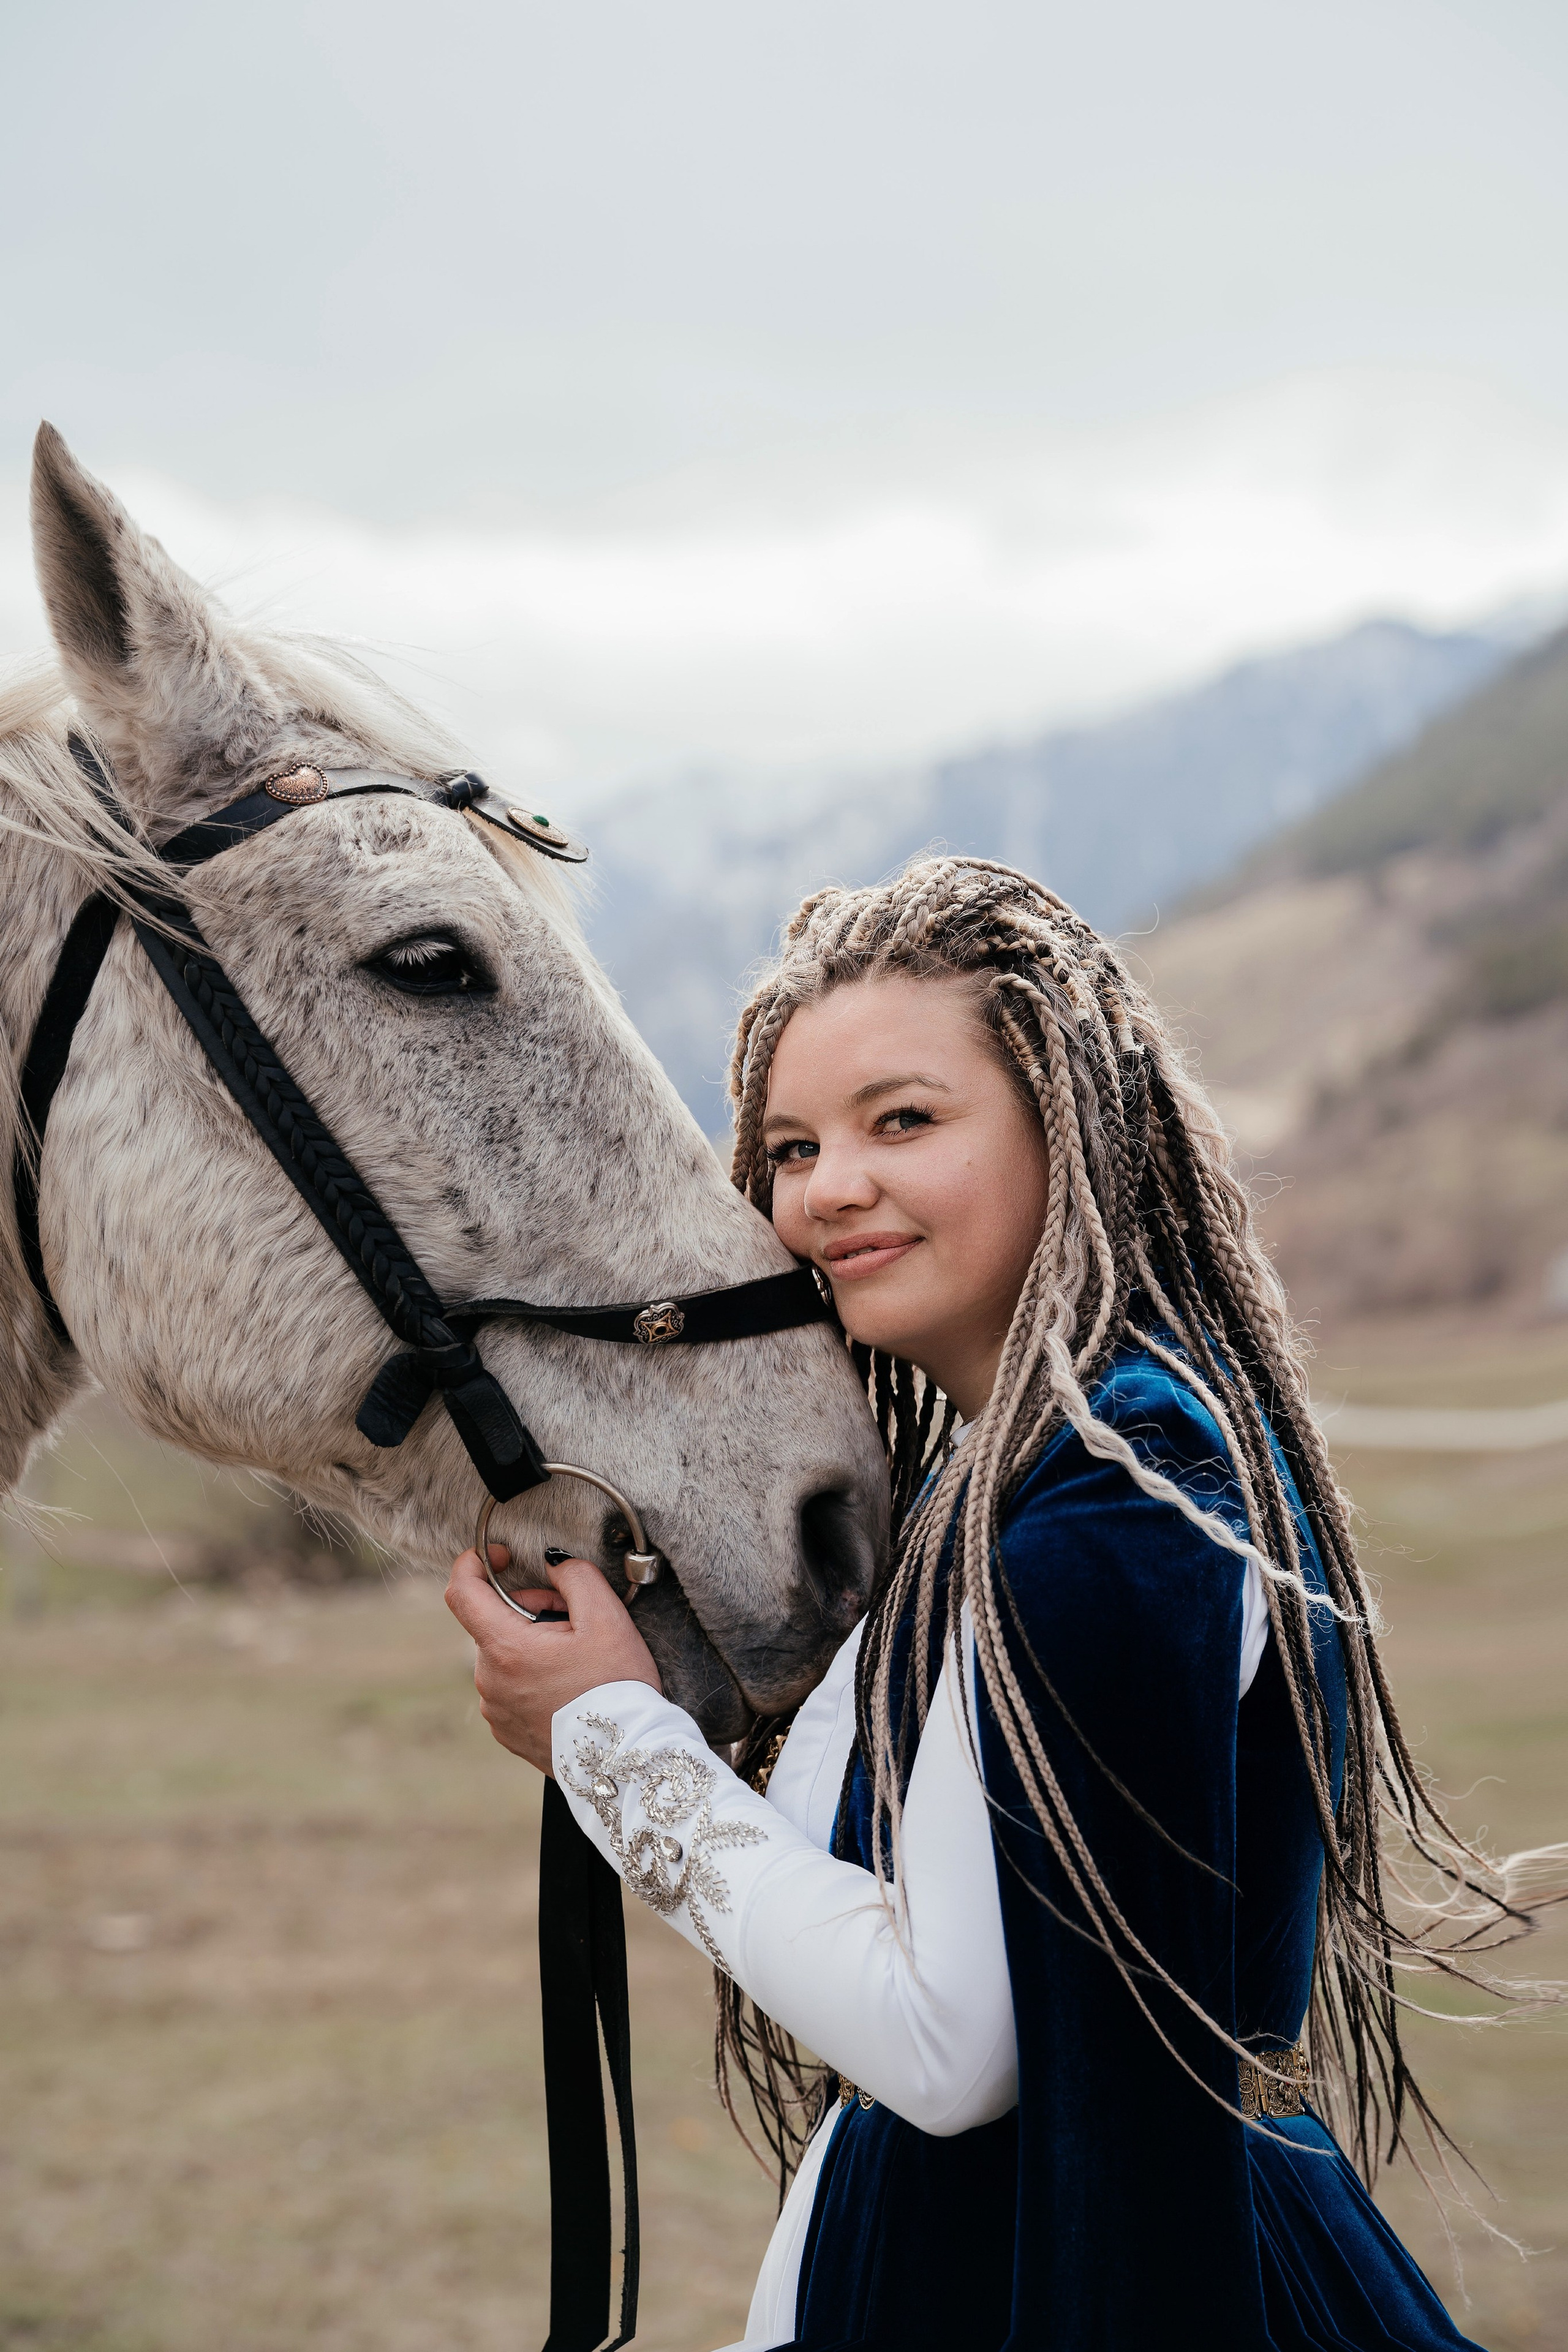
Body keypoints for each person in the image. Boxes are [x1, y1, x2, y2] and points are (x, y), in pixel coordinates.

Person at [445, 856, 1541, 2350]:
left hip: (1061, 2278)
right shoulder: (1015, 1462)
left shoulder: (1112, 1499)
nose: (827, 1188)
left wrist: (614, 1745)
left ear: (1070, 1126)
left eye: (903, 1120)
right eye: (787, 1146)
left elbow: (948, 2044)